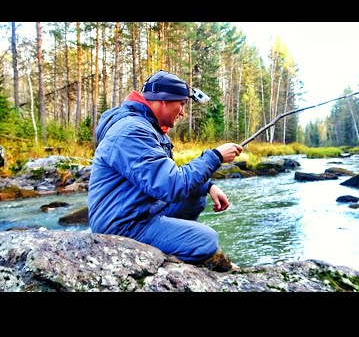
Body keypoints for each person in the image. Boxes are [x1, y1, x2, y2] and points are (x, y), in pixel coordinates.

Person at [88, 70, 243, 271]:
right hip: (122, 225)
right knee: (207, 241)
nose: (182, 112)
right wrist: (216, 157)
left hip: (140, 212)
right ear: (163, 101)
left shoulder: (146, 126)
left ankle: (171, 240)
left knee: (196, 192)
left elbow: (165, 176)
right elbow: (171, 185)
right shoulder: (131, 131)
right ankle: (166, 256)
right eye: (181, 104)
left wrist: (209, 186)